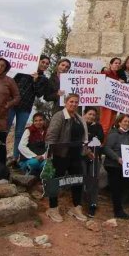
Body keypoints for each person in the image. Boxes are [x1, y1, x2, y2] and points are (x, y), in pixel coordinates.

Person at [45, 93, 90, 223]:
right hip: (60, 155)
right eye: (71, 101)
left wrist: (85, 150)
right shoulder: (59, 116)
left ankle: (76, 208)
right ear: (65, 102)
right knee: (55, 182)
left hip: (76, 155)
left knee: (77, 181)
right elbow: (51, 136)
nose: (74, 104)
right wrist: (50, 153)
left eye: (76, 102)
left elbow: (84, 137)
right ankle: (52, 208)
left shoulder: (79, 118)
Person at [8, 56, 51, 165]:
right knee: (5, 129)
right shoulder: (24, 71)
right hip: (12, 104)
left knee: (19, 133)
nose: (44, 65)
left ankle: (15, 158)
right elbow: (12, 84)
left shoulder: (44, 79)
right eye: (43, 62)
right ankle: (0, 158)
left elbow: (39, 94)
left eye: (47, 64)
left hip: (25, 107)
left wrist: (35, 80)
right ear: (38, 62)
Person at [103, 114, 129, 219]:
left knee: (121, 188)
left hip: (122, 166)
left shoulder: (127, 135)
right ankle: (118, 211)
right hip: (113, 165)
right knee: (116, 189)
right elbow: (107, 148)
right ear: (119, 122)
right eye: (125, 121)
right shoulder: (114, 134)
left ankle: (120, 209)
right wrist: (117, 158)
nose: (127, 123)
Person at [83, 107, 104, 217]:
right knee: (82, 178)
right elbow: (80, 139)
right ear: (85, 114)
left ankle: (92, 204)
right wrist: (87, 148)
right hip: (82, 156)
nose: (91, 116)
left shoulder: (98, 127)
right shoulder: (80, 125)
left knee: (94, 179)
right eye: (89, 114)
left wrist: (90, 140)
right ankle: (79, 203)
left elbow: (100, 139)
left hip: (94, 156)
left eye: (93, 115)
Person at [98, 57, 122, 135]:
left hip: (114, 105)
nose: (117, 65)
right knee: (104, 126)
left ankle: (105, 141)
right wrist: (104, 69)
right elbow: (97, 79)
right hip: (106, 104)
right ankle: (100, 142)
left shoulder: (117, 76)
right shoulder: (106, 73)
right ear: (110, 64)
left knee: (110, 127)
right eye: (116, 63)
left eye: (119, 63)